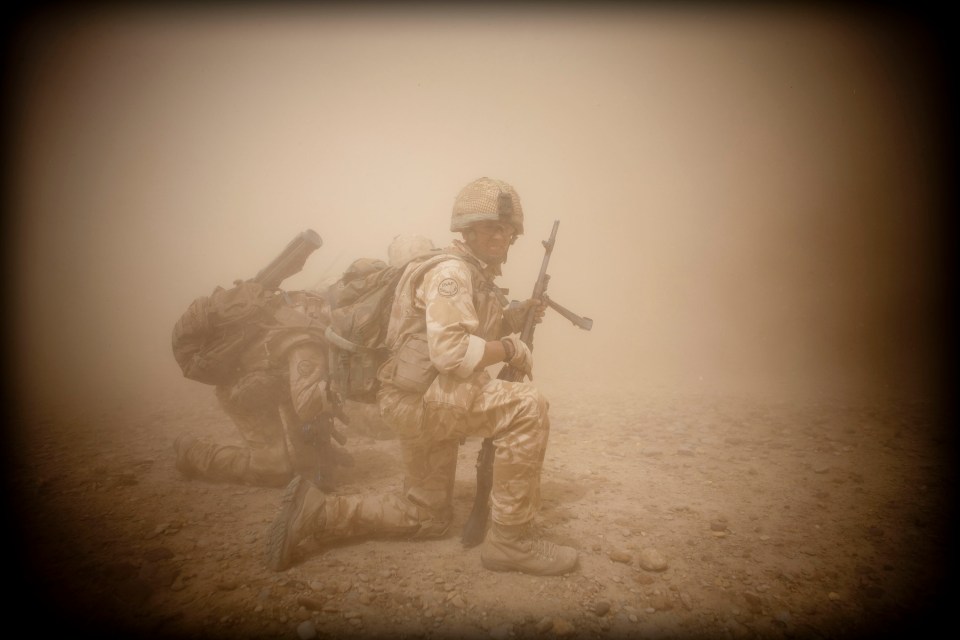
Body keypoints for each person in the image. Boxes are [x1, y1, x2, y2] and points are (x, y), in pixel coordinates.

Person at [265, 177, 578, 576]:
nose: (500, 236)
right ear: (467, 229)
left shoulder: (468, 272)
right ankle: (511, 543)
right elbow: (451, 352)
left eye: (506, 229)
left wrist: (516, 317)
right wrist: (512, 349)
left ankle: (318, 513)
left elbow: (463, 328)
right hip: (423, 400)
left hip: (411, 398)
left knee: (426, 515)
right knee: (528, 406)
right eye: (490, 227)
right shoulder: (451, 272)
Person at [173, 289, 352, 489]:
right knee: (273, 472)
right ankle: (193, 453)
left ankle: (313, 454)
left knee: (312, 464)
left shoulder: (310, 316)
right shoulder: (309, 341)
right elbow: (308, 406)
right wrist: (335, 402)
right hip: (244, 392)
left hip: (275, 384)